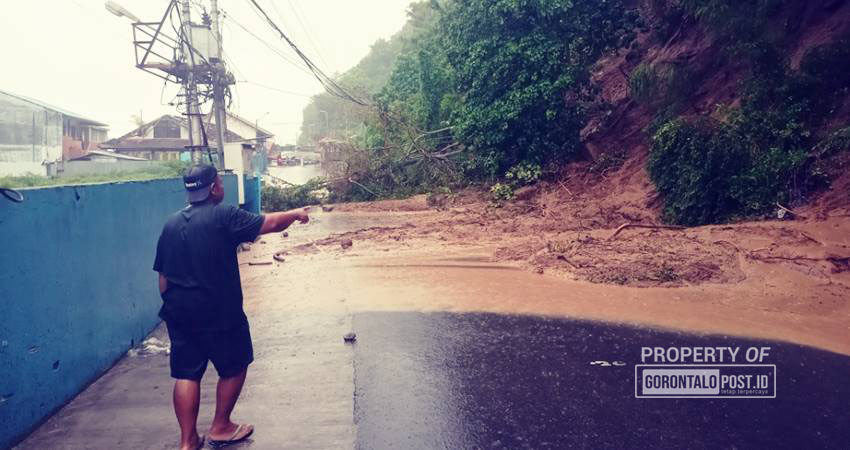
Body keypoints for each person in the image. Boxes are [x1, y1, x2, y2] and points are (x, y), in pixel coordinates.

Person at [153, 164, 309, 450]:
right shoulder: (224, 215)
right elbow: (270, 223)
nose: (223, 188)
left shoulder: (171, 223)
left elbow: (162, 280)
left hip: (180, 312)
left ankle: (188, 441)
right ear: (213, 188)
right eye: (221, 183)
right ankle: (221, 426)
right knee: (235, 365)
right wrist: (296, 214)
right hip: (219, 311)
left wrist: (177, 306)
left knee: (187, 373)